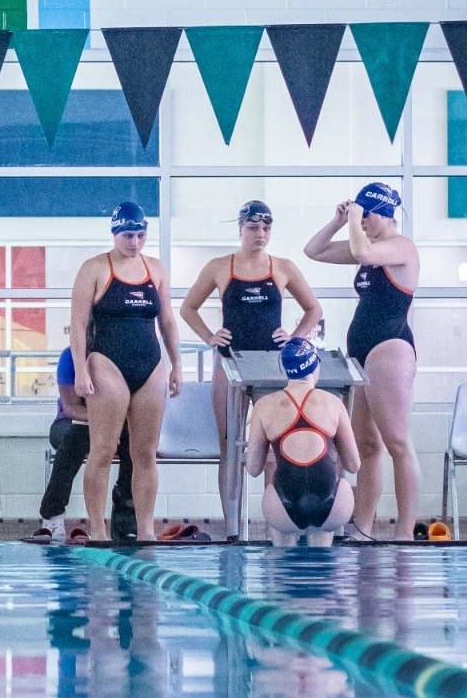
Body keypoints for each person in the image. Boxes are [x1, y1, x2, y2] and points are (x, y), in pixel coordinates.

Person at [180, 199, 323, 523]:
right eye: (253, 227)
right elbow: (188, 308)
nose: (260, 234)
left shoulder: (283, 267)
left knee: (275, 442)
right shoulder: (219, 267)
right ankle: (232, 525)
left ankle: (276, 522)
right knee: (229, 445)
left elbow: (313, 309)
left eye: (266, 228)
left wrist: (295, 338)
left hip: (271, 366)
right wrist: (209, 337)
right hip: (230, 363)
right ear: (240, 229)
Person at [304, 182, 420, 539]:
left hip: (390, 347)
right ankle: (363, 528)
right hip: (360, 352)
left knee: (397, 443)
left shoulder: (401, 246)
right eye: (361, 216)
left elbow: (364, 253)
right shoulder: (367, 244)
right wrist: (339, 221)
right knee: (366, 446)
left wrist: (355, 221)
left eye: (367, 215)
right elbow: (314, 251)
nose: (363, 221)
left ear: (385, 213)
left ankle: (404, 532)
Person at [70, 201, 182, 542]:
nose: (134, 242)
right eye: (127, 236)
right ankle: (98, 528)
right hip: (107, 363)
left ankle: (146, 529)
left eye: (140, 235)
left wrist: (177, 364)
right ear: (115, 233)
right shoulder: (94, 268)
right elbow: (78, 325)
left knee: (145, 454)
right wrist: (80, 370)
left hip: (150, 364)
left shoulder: (156, 269)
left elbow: (167, 321)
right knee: (103, 450)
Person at [245, 338, 359, 546]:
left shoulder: (263, 406)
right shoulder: (334, 403)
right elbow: (354, 465)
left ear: (286, 370)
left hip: (283, 506)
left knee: (282, 555)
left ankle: (282, 558)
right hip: (333, 505)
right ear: (315, 366)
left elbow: (253, 469)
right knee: (321, 551)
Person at [33, 348, 134, 544]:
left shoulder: (119, 352)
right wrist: (106, 421)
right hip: (71, 423)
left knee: (133, 444)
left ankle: (126, 522)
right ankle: (52, 513)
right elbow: (71, 408)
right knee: (76, 436)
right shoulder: (70, 357)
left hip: (113, 422)